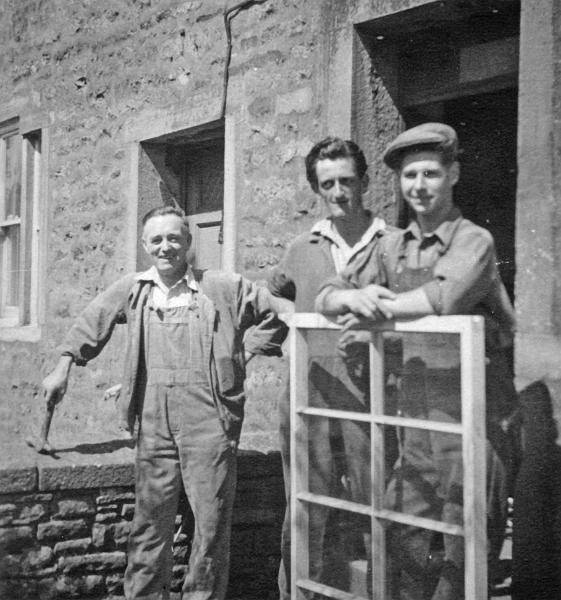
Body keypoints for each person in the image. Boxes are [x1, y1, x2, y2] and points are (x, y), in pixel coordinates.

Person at [41, 205, 287, 600]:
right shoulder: (134, 289)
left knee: (210, 527)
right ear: (144, 245)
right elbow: (92, 321)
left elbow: (276, 313)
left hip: (210, 422)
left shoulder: (222, 286)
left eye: (174, 238)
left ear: (188, 242)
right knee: (148, 527)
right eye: (156, 239)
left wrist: (243, 353)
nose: (166, 247)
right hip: (153, 423)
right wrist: (64, 366)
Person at [316, 123, 518, 599]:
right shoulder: (394, 245)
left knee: (464, 535)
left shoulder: (474, 241)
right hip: (415, 414)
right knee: (400, 522)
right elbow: (327, 292)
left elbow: (443, 298)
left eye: (430, 173)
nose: (419, 186)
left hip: (475, 410)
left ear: (454, 175)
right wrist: (357, 294)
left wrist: (373, 313)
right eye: (409, 176)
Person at [267, 137, 391, 598]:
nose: (339, 192)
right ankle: (295, 593)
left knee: (375, 504)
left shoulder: (392, 243)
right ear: (317, 190)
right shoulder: (303, 246)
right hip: (308, 395)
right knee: (303, 506)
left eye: (347, 181)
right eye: (328, 184)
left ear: (364, 180)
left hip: (370, 396)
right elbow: (277, 288)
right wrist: (281, 331)